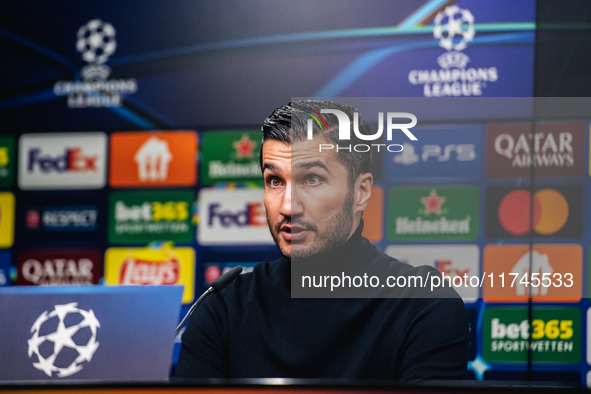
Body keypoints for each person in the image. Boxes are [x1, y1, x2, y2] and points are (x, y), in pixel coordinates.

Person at [174, 100, 469, 381]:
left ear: (361, 191)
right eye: (275, 181)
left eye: (312, 179)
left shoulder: (423, 304)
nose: (288, 206)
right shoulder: (223, 307)